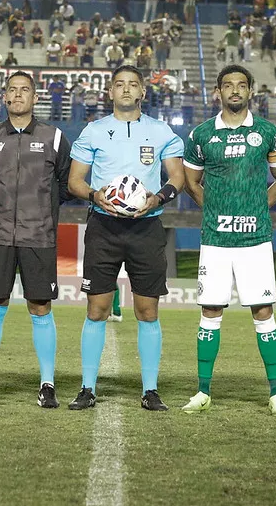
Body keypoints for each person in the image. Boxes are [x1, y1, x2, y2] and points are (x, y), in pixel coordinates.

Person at [66, 65, 185, 411]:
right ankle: (87, 388)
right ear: (110, 92)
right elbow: (75, 181)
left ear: (143, 92)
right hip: (104, 226)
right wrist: (94, 195)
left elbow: (176, 176)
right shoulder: (94, 131)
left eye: (133, 84)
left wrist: (157, 198)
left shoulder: (161, 132)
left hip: (147, 227)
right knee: (97, 308)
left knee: (147, 310)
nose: (126, 90)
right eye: (119, 84)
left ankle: (150, 390)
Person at [181, 65, 276, 415]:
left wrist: (259, 206)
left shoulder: (267, 132)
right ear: (217, 92)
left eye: (241, 86)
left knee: (263, 311)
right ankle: (203, 392)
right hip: (215, 239)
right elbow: (191, 183)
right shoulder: (200, 135)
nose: (234, 91)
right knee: (210, 310)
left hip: (256, 239)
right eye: (227, 85)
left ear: (250, 92)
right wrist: (214, 209)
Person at [0, 71, 73, 409]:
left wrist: (40, 211)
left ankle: (47, 384)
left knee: (40, 307)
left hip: (38, 236)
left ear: (34, 97)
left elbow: (66, 185)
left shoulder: (55, 138)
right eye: (13, 90)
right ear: (5, 97)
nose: (18, 95)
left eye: (25, 90)